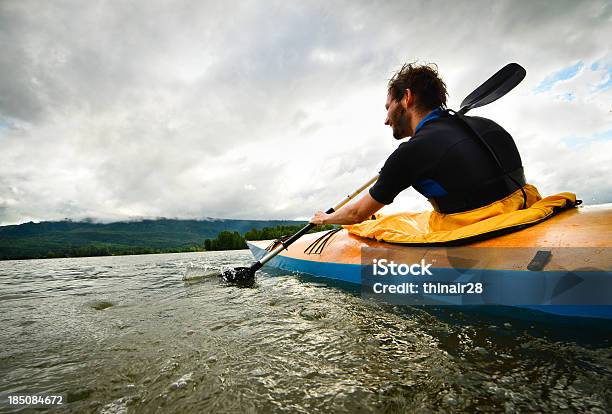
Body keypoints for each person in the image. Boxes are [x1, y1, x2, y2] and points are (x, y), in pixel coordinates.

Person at [310, 62, 527, 227]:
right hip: (528, 213)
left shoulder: (410, 153)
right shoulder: (487, 126)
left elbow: (357, 214)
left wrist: (325, 218)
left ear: (406, 97)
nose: (386, 119)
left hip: (483, 234)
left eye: (388, 107)